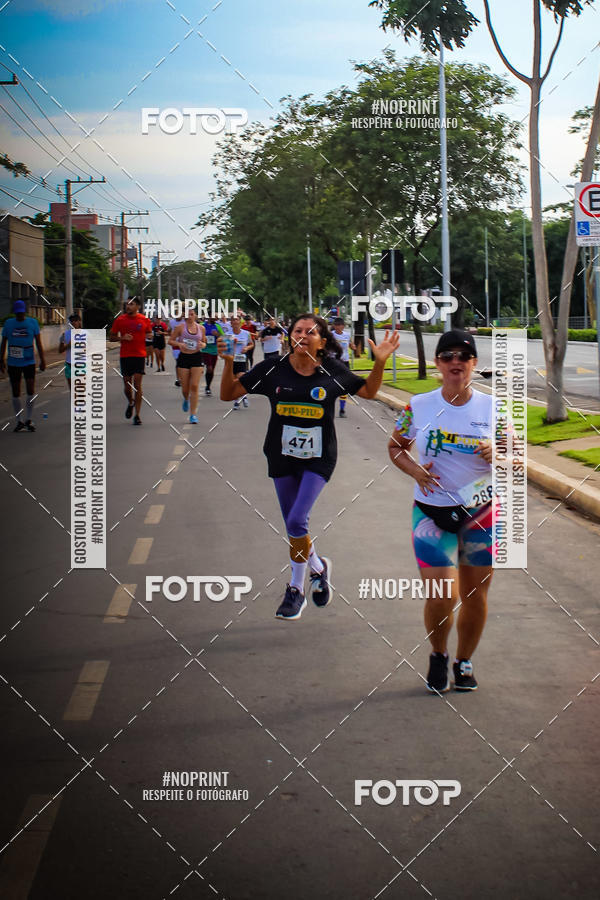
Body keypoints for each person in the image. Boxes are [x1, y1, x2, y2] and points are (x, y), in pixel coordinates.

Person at [219, 313, 400, 620]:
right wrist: (226, 363)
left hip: (319, 458)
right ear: (290, 337)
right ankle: (319, 567)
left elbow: (368, 392)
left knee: (297, 521)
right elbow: (228, 394)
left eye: (310, 332)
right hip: (281, 456)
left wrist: (379, 362)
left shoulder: (331, 370)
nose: (302, 335)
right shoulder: (274, 368)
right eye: (297, 331)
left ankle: (296, 589)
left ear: (322, 342)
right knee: (294, 525)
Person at [387, 329, 495, 694]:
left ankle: (464, 662)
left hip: (481, 513)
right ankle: (438, 654)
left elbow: (516, 459)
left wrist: (500, 454)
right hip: (432, 513)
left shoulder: (493, 408)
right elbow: (396, 447)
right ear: (437, 364)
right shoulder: (418, 406)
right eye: (447, 356)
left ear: (474, 364)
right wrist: (416, 471)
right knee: (442, 595)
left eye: (463, 357)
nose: (455, 363)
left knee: (475, 595)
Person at [0, 300, 46, 432]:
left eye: (21, 313)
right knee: (15, 391)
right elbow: (4, 342)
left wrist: (42, 360)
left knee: (30, 389)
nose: (20, 315)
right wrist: (1, 359)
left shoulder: (32, 323)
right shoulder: (9, 324)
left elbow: (38, 342)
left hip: (29, 361)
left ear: (24, 312)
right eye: (17, 313)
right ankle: (19, 420)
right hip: (13, 362)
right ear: (15, 313)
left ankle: (29, 419)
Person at [109, 297, 152, 426]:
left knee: (138, 385)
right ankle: (131, 401)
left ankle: (137, 415)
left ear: (138, 306)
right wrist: (122, 338)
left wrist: (150, 336)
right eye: (127, 304)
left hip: (139, 356)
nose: (128, 306)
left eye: (131, 304)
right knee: (127, 387)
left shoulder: (144, 320)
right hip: (125, 356)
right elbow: (111, 337)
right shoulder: (120, 320)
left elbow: (149, 333)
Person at [169, 310, 206, 424]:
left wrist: (202, 345)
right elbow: (170, 341)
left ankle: (193, 414)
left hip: (197, 357)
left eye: (191, 314)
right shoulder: (180, 327)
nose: (189, 316)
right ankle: (186, 399)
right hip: (184, 358)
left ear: (195, 315)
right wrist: (180, 344)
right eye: (187, 314)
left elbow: (204, 342)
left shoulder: (201, 328)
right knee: (185, 388)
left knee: (194, 386)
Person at [331, 317, 356, 418]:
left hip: (345, 362)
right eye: (336, 325)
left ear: (343, 326)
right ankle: (330, 408)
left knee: (344, 386)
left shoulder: (347, 335)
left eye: (339, 325)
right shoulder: (331, 335)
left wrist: (353, 347)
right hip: (334, 362)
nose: (338, 327)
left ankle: (342, 409)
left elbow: (351, 345)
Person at [230, 316, 254, 409]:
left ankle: (244, 396)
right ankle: (236, 402)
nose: (235, 321)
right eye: (233, 320)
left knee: (241, 379)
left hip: (241, 359)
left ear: (240, 322)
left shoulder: (246, 333)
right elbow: (224, 347)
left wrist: (247, 348)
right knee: (233, 381)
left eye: (237, 319)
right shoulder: (227, 334)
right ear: (231, 323)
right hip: (231, 360)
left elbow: (251, 344)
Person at [201, 317, 224, 396]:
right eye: (214, 316)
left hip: (214, 350)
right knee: (209, 367)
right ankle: (207, 387)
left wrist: (217, 335)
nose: (216, 318)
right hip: (205, 350)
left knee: (211, 370)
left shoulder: (217, 326)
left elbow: (223, 337)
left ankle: (208, 386)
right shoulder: (202, 325)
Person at [58, 312, 82, 390]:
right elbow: (60, 350)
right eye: (71, 321)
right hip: (69, 365)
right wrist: (68, 345)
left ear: (79, 321)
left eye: (75, 320)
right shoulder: (65, 334)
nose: (73, 322)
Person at [168, 313, 183, 386]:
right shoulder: (171, 322)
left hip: (184, 344)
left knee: (183, 361)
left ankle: (183, 377)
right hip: (175, 344)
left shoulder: (185, 321)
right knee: (178, 361)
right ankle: (178, 379)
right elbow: (169, 330)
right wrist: (172, 336)